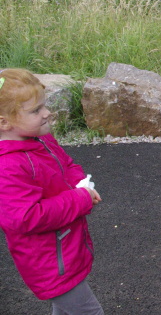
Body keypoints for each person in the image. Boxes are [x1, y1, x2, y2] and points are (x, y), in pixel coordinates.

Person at [0, 68, 104, 315]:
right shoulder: (7, 166)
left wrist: (82, 183)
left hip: (63, 248)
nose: (47, 113)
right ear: (4, 122)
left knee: (66, 308)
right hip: (48, 262)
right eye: (36, 110)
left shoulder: (39, 138)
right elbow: (27, 217)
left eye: (43, 105)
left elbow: (65, 164)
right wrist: (79, 199)